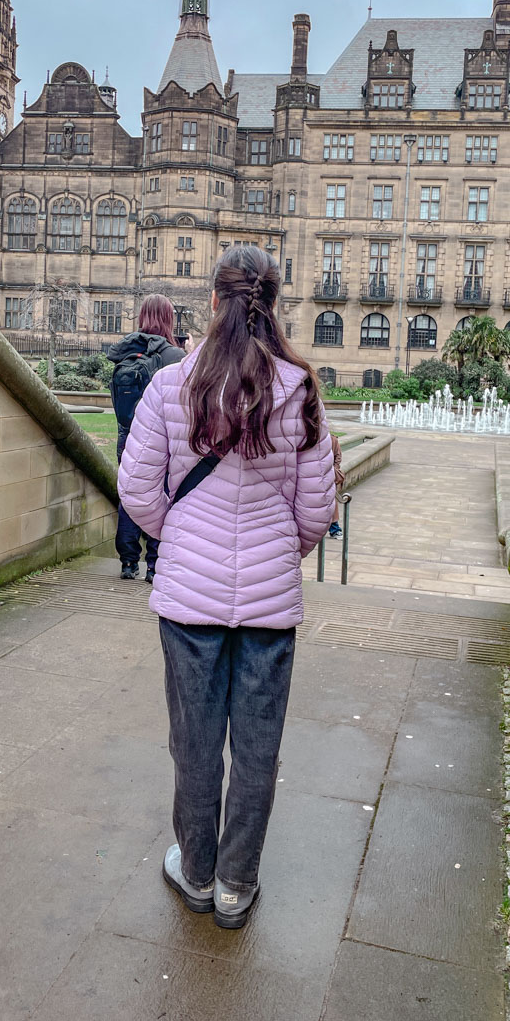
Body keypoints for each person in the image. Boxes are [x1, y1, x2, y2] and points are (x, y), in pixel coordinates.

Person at [118, 246, 335, 929]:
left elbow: (136, 491)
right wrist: (278, 553)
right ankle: (238, 885)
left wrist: (176, 538)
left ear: (213, 303)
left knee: (195, 741)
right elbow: (315, 510)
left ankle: (200, 871)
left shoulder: (169, 387)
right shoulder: (299, 388)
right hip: (270, 606)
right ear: (273, 304)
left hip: (189, 605)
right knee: (257, 749)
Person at [108, 295, 185, 583]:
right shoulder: (172, 356)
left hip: (126, 438)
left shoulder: (124, 352)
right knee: (161, 497)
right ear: (168, 319)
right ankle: (154, 565)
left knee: (130, 496)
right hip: (161, 442)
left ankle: (128, 562)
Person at [328, 432, 345, 538]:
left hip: (328, 476)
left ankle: (335, 528)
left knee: (332, 502)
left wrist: (334, 469)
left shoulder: (332, 439)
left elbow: (337, 457)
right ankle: (334, 529)